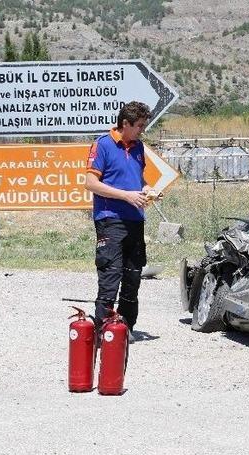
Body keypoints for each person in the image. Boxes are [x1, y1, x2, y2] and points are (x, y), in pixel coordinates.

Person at [85, 101, 159, 340]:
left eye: (144, 126)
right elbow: (91, 183)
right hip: (111, 220)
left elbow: (137, 179)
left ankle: (124, 329)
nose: (142, 130)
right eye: (138, 126)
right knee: (110, 276)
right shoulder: (103, 144)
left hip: (135, 220)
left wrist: (148, 189)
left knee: (133, 277)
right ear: (125, 123)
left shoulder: (138, 147)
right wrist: (126, 195)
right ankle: (102, 331)